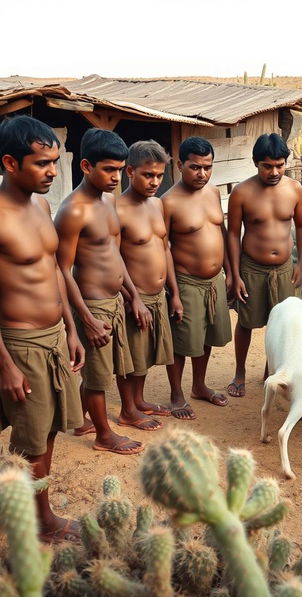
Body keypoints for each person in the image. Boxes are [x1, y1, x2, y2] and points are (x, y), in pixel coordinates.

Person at [0, 116, 85, 542]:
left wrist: (70, 327)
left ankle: (35, 509)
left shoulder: (41, 205)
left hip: (53, 337)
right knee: (30, 437)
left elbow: (53, 268)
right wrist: (6, 365)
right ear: (10, 163)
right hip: (19, 343)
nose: (53, 171)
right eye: (42, 163)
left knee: (48, 428)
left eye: (55, 161)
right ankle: (37, 519)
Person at [56, 128, 148, 455]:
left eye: (120, 169)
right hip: (91, 304)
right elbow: (62, 269)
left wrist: (133, 295)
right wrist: (85, 319)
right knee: (96, 377)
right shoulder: (73, 211)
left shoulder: (109, 202)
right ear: (85, 166)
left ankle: (80, 419)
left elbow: (114, 255)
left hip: (114, 300)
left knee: (108, 368)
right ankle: (103, 436)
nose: (116, 177)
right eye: (108, 169)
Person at [227, 133, 302, 398]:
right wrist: (235, 274)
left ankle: (269, 371)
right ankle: (239, 373)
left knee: (282, 324)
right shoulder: (241, 192)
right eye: (267, 166)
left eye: (280, 165)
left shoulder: (295, 189)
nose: (274, 171)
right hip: (252, 268)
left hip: (284, 268)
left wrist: (301, 263)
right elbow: (232, 234)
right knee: (247, 322)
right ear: (255, 163)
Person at [161, 136, 232, 419]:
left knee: (207, 336)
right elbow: (164, 247)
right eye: (195, 167)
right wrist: (174, 293)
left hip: (215, 280)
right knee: (182, 341)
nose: (202, 173)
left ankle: (199, 386)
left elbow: (221, 232)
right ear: (180, 165)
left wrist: (230, 271)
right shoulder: (168, 202)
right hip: (186, 282)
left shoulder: (213, 192)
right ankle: (176, 394)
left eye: (207, 167)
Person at [116, 140, 180, 427]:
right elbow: (114, 259)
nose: (155, 182)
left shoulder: (157, 204)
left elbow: (164, 248)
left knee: (147, 352)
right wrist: (133, 299)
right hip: (135, 296)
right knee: (132, 355)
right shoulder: (118, 210)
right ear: (130, 171)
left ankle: (139, 400)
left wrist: (174, 293)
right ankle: (128, 410)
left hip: (158, 294)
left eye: (159, 175)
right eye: (148, 175)